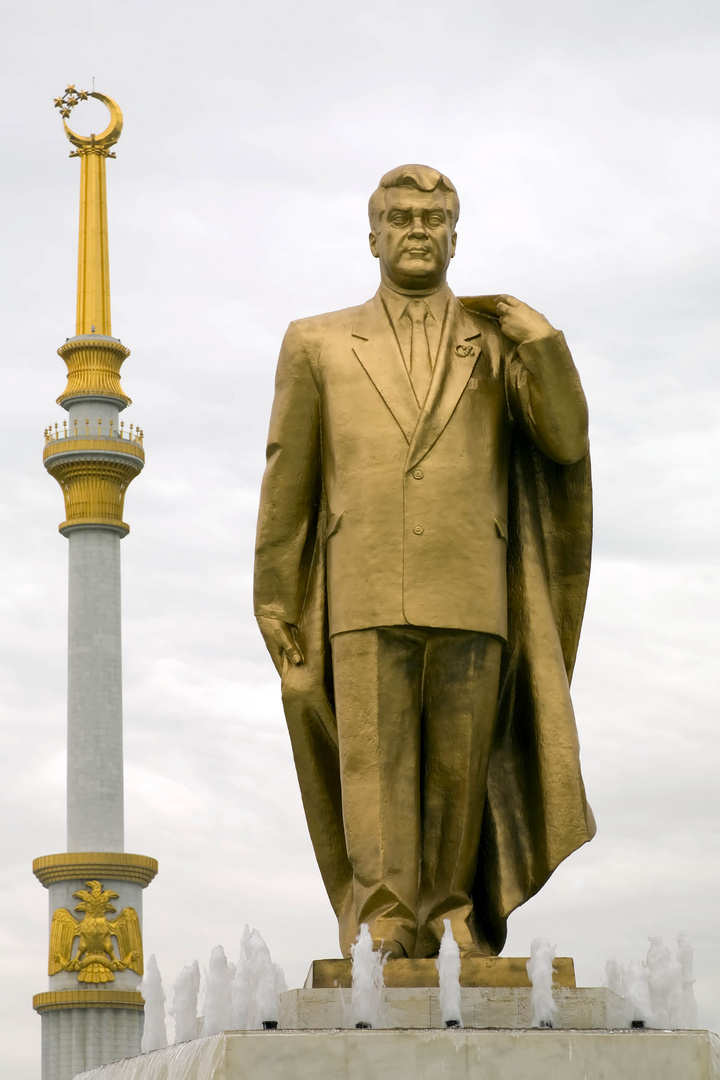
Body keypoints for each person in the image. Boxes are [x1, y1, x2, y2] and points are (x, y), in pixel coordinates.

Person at [254, 164, 595, 960]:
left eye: (433, 219)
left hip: (473, 583)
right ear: (372, 235)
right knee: (371, 763)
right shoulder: (317, 340)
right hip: (362, 584)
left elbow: (565, 442)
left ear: (454, 235)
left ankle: (448, 908)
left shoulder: (500, 342)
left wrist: (542, 342)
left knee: (458, 770)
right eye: (401, 217)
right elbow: (287, 473)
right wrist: (275, 594)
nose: (417, 230)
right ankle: (384, 916)